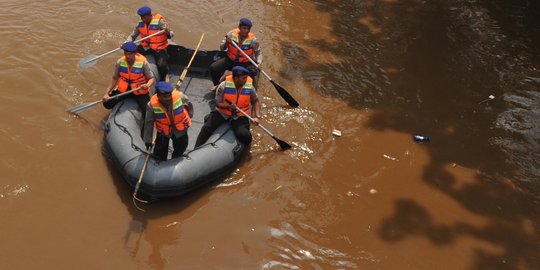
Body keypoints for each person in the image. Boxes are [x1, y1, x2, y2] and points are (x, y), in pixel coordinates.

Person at [195, 66, 262, 147]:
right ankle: (196, 148)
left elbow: (255, 101)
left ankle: (248, 146)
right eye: (243, 78)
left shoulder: (249, 86)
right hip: (223, 112)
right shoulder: (223, 86)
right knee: (206, 128)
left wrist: (257, 116)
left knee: (243, 134)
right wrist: (228, 106)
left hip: (240, 114)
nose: (246, 80)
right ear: (236, 79)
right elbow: (217, 103)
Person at [144, 81, 192, 161]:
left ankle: (175, 159)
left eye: (169, 96)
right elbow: (149, 123)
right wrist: (148, 140)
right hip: (163, 132)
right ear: (158, 96)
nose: (168, 98)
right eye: (165, 97)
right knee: (159, 152)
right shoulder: (151, 105)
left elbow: (189, 105)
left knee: (181, 147)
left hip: (180, 129)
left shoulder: (180, 96)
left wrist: (188, 117)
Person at [102, 41, 155, 111]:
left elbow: (151, 78)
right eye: (126, 54)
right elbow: (115, 78)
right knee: (107, 103)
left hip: (139, 90)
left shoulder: (143, 63)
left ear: (135, 53)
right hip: (125, 89)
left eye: (130, 54)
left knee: (148, 110)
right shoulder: (120, 62)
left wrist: (147, 85)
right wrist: (106, 93)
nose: (128, 56)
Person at [209, 18, 262, 87]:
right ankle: (217, 86)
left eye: (248, 29)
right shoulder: (231, 34)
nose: (246, 31)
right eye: (244, 28)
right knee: (213, 68)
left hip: (245, 62)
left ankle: (229, 73)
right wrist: (227, 42)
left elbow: (258, 52)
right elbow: (222, 48)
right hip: (230, 60)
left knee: (253, 72)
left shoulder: (253, 40)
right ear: (239, 27)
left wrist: (259, 63)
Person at [126, 6, 173, 81]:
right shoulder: (140, 24)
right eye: (141, 17)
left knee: (161, 65)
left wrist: (166, 31)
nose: (142, 19)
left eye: (144, 17)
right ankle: (130, 74)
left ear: (149, 15)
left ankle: (164, 78)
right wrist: (126, 44)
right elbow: (132, 36)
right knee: (130, 53)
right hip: (146, 47)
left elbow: (171, 34)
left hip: (159, 48)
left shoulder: (160, 22)